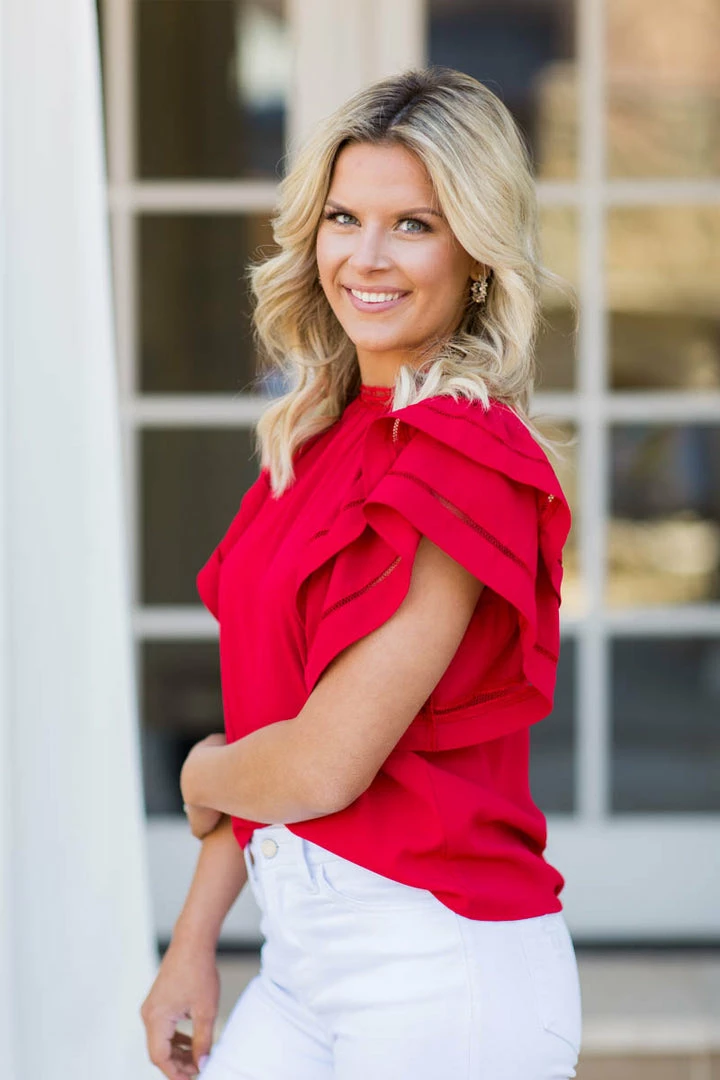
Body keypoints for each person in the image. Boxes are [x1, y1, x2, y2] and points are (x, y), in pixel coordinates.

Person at [140, 66, 582, 1080]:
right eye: (344, 218)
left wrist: (198, 772)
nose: (366, 258)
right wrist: (193, 941)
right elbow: (272, 719)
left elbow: (321, 764)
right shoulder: (316, 440)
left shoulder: (467, 457)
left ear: (476, 255)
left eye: (413, 226)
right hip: (300, 961)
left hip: (440, 967)